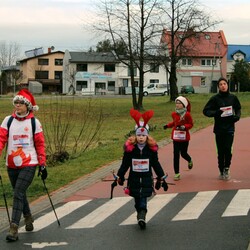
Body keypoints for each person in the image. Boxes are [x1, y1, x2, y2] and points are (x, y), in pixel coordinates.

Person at [0, 89, 47, 242]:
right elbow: (1, 140)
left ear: (27, 106)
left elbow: (40, 144)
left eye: (21, 103)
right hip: (12, 164)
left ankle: (13, 228)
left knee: (17, 193)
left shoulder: (34, 122)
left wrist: (42, 164)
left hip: (29, 163)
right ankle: (28, 217)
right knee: (20, 193)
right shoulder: (8, 121)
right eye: (16, 103)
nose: (18, 105)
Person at [117, 108, 168, 230]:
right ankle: (139, 212)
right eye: (139, 135)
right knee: (136, 199)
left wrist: (161, 176)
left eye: (143, 135)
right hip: (134, 178)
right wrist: (120, 175)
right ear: (135, 135)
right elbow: (125, 164)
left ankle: (142, 215)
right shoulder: (131, 150)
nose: (141, 138)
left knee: (143, 198)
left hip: (146, 178)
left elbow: (156, 163)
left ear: (147, 136)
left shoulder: (151, 150)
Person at [203, 77, 241, 180]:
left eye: (224, 84)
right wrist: (216, 113)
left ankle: (227, 168)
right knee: (220, 151)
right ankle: (221, 168)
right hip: (219, 128)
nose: (223, 86)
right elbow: (206, 111)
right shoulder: (215, 99)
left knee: (228, 149)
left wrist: (237, 117)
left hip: (229, 128)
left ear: (227, 85)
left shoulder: (233, 98)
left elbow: (238, 108)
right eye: (221, 84)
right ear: (218, 87)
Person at [163, 96, 193, 181]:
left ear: (184, 105)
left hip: (184, 138)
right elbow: (174, 123)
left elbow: (191, 124)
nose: (177, 105)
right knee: (176, 155)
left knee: (183, 153)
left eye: (179, 103)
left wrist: (184, 127)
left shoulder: (187, 114)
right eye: (176, 103)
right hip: (176, 137)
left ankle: (189, 160)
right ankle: (177, 173)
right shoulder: (174, 114)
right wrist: (167, 125)